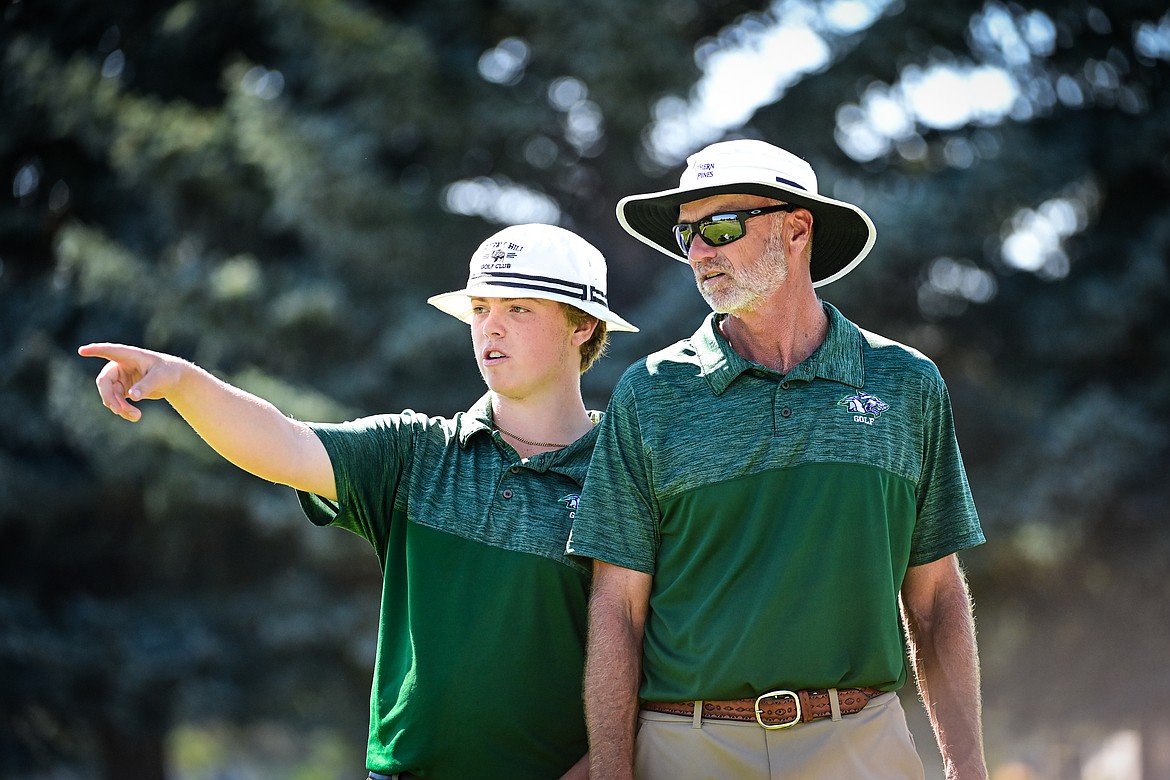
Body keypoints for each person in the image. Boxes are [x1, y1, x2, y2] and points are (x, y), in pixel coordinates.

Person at [79, 222, 638, 780]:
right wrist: (182, 382)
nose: (490, 327)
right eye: (481, 308)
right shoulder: (415, 451)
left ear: (583, 325)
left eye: (518, 309)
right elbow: (285, 444)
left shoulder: (624, 477)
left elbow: (647, 659)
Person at [567, 139, 987, 779]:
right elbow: (618, 610)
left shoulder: (907, 384)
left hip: (862, 745)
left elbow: (934, 600)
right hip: (689, 747)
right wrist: (613, 772)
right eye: (688, 236)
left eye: (721, 227)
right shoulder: (651, 393)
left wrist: (967, 766)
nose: (700, 253)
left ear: (796, 229)